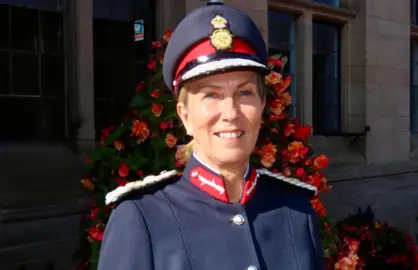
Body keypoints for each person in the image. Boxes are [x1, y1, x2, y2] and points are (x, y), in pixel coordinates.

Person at [97, 1, 325, 269]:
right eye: (211, 95)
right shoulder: (142, 218)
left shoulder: (295, 210)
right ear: (185, 116)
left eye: (245, 93)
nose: (230, 112)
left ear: (262, 107)